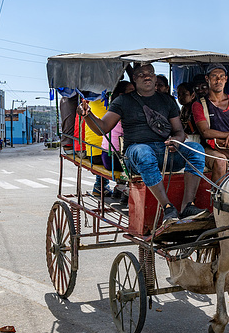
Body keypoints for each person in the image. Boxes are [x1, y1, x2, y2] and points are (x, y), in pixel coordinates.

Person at [77, 63, 208, 224]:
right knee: (144, 152)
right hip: (135, 154)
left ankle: (188, 205)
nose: (146, 76)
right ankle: (168, 208)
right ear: (134, 79)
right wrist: (87, 115)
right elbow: (102, 128)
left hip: (165, 151)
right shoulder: (122, 101)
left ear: (154, 78)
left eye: (150, 74)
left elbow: (179, 132)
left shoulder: (167, 101)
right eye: (141, 74)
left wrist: (177, 140)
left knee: (196, 149)